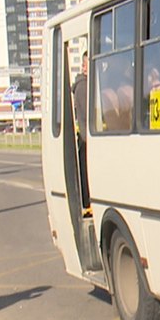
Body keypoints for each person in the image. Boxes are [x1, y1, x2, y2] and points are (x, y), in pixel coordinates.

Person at [70, 52, 90, 212]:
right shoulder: (83, 87)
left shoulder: (89, 84)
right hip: (87, 142)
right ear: (84, 66)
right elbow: (86, 121)